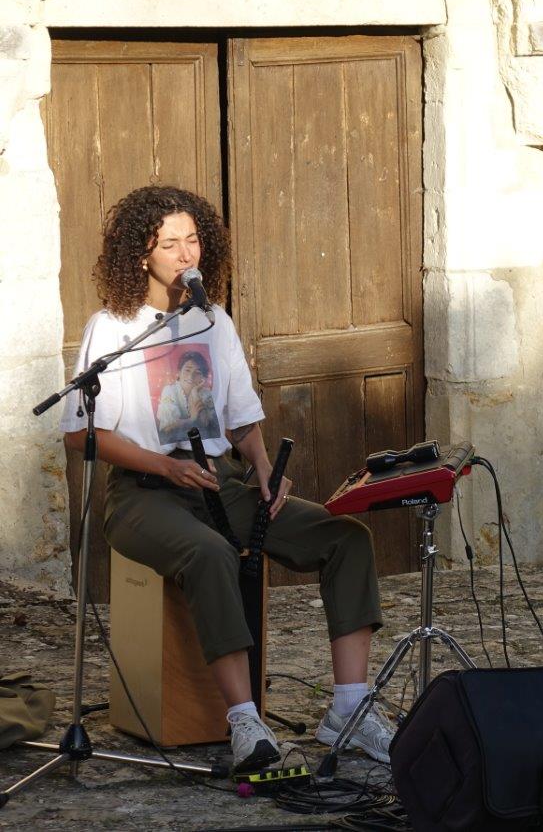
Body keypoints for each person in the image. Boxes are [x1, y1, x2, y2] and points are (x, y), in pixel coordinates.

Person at [60, 186, 394, 773]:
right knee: (210, 552)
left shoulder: (213, 320)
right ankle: (244, 722)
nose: (186, 254)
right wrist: (165, 464)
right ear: (141, 255)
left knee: (345, 538)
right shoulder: (112, 328)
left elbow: (241, 417)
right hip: (144, 494)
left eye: (193, 240)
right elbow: (81, 434)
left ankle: (349, 707)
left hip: (220, 485)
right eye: (170, 244)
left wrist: (265, 470)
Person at [155, 350, 219, 444]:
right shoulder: (170, 390)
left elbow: (207, 424)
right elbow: (167, 429)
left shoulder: (206, 394)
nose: (191, 376)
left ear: (203, 377)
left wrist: (194, 393)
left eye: (197, 372)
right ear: (179, 373)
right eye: (187, 370)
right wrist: (191, 419)